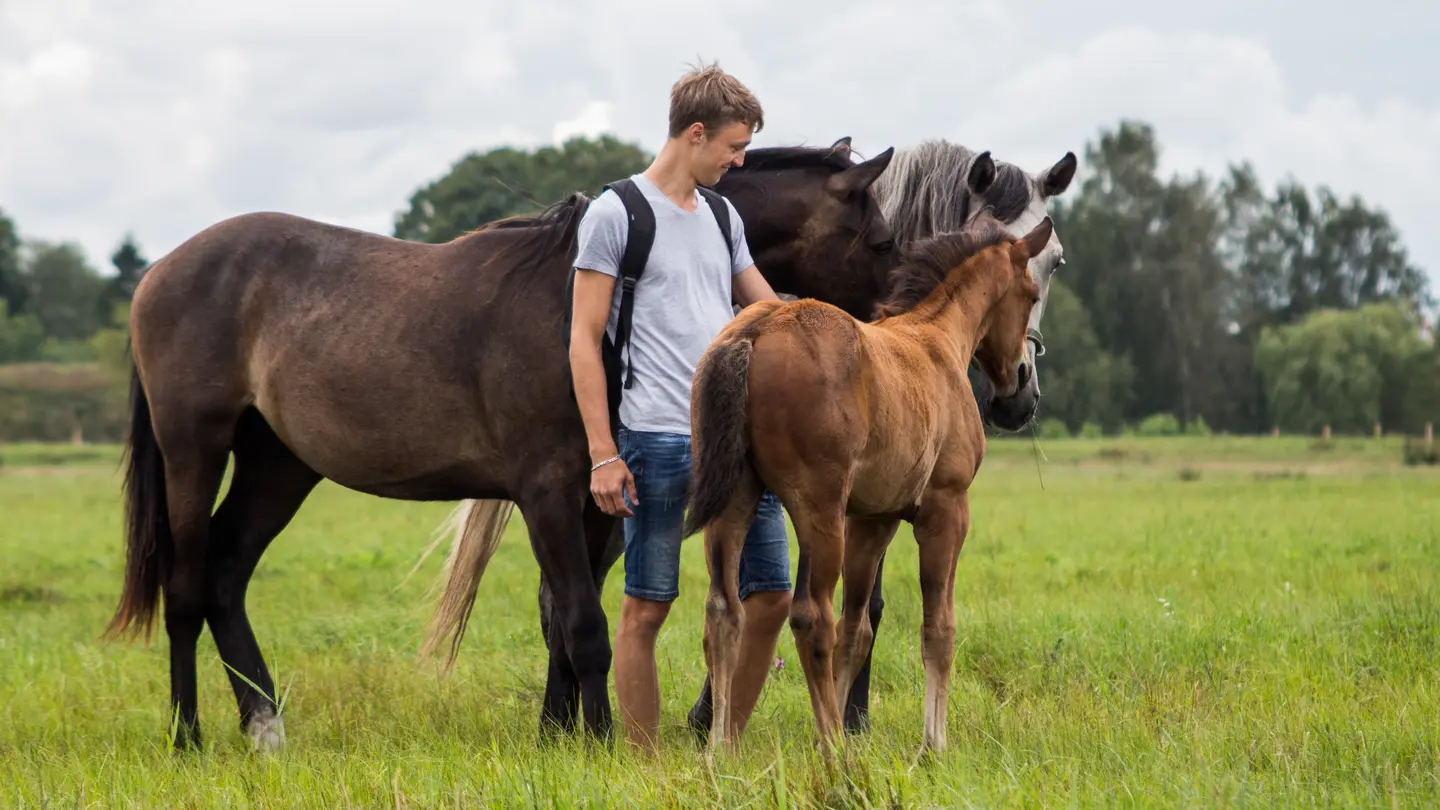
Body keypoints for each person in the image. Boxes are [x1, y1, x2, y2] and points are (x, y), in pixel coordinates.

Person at [568, 62, 792, 753]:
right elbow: (581, 338)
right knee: (647, 608)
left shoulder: (724, 217)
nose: (740, 159)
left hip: (742, 445)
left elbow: (768, 307)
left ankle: (723, 738)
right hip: (656, 439)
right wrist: (603, 453)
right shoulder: (617, 215)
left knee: (774, 595)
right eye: (733, 145)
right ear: (695, 134)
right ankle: (645, 769)